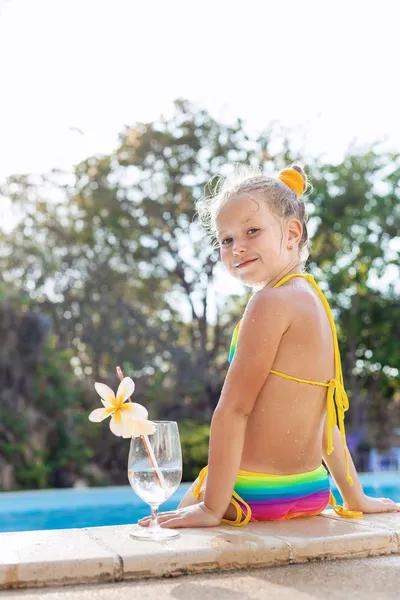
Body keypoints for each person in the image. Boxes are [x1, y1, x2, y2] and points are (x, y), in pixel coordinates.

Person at [139, 164, 400, 529]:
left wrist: (212, 507)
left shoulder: (269, 302)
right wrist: (355, 498)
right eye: (226, 239)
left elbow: (233, 410)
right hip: (310, 491)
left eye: (252, 231)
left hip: (251, 494)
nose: (237, 247)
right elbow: (328, 418)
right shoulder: (315, 300)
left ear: (292, 233)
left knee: (165, 534)